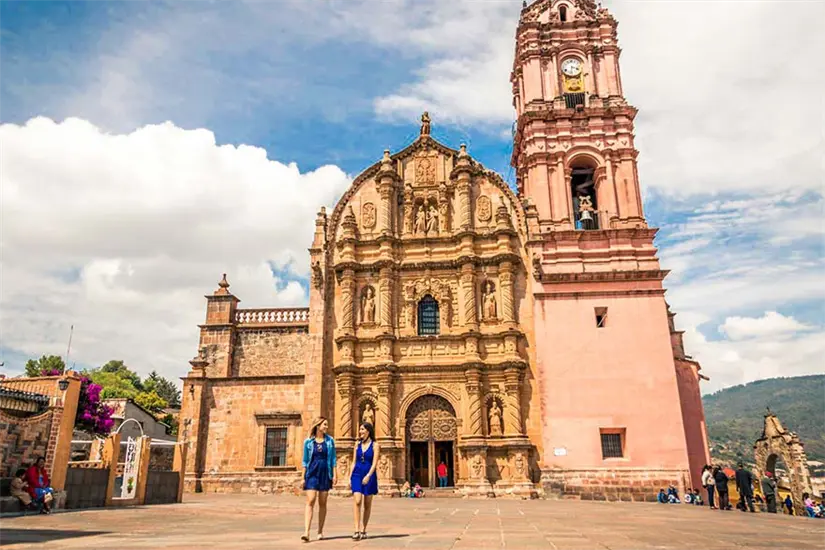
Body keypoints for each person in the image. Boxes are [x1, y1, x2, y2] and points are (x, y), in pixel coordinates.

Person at [301, 417, 336, 543]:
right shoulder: (308, 442)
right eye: (325, 424)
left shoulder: (330, 441)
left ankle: (320, 531)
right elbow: (305, 461)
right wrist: (303, 477)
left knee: (322, 502)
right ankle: (306, 532)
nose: (326, 427)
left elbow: (333, 459)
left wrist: (335, 474)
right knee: (310, 500)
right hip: (312, 472)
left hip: (325, 472)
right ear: (318, 425)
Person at [350, 422, 379, 541]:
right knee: (357, 501)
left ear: (368, 430)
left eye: (362, 429)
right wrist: (349, 476)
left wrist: (368, 475)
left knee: (367, 504)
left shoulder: (375, 445)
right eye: (360, 429)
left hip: (369, 474)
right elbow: (353, 461)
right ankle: (356, 530)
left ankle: (363, 529)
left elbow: (374, 463)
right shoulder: (357, 445)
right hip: (357, 473)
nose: (360, 431)